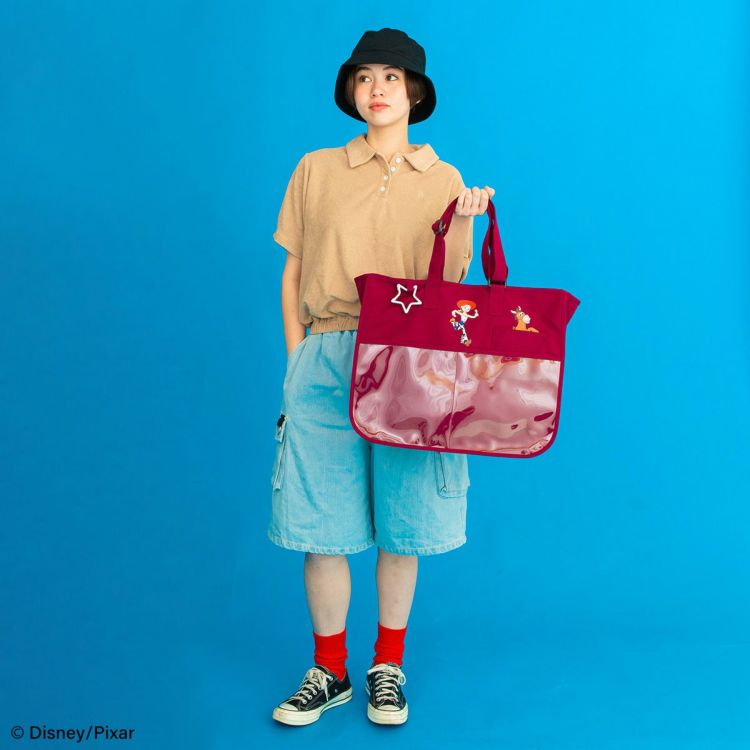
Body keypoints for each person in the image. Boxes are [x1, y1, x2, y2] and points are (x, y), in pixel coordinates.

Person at [268, 27, 495, 727]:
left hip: (411, 360)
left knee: (405, 522)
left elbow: (451, 285)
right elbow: (294, 273)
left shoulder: (446, 179)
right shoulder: (316, 169)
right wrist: (298, 360)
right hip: (329, 353)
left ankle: (386, 665)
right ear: (350, 91)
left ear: (415, 92)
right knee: (322, 526)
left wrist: (466, 220)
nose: (377, 89)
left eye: (392, 77)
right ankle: (329, 670)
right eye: (364, 77)